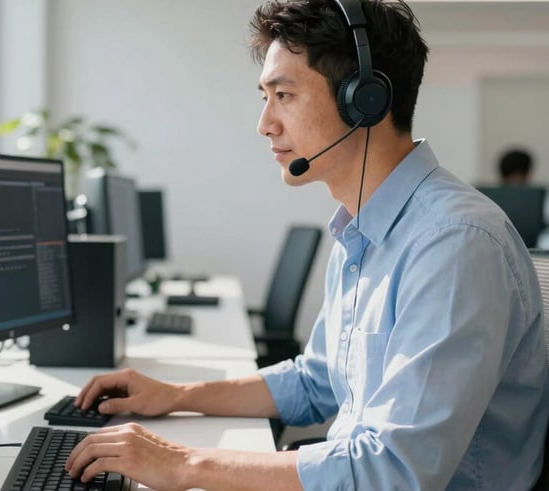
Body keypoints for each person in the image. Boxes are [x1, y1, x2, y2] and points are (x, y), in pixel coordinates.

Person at [65, 0, 549, 489]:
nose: (266, 123)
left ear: (365, 101)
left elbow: (394, 471)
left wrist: (186, 464)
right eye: (265, 97)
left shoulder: (455, 245)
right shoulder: (361, 228)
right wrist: (174, 395)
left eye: (285, 95)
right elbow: (316, 382)